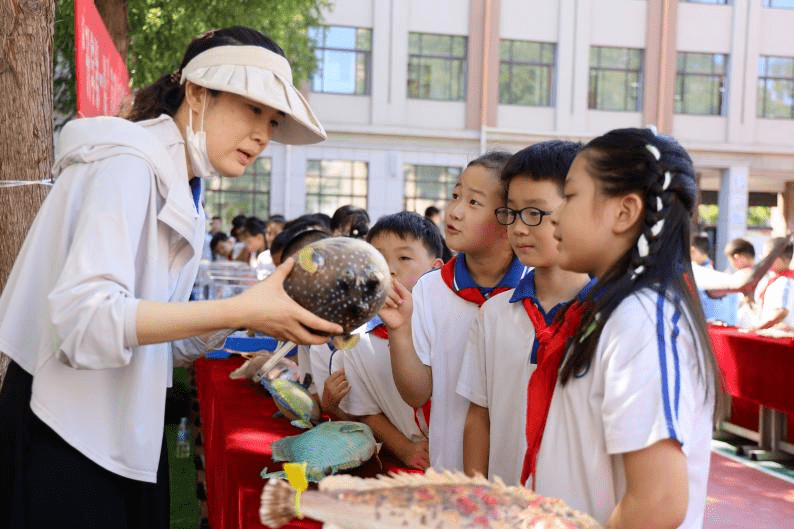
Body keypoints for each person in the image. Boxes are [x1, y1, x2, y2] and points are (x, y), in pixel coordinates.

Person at [0, 26, 343, 529]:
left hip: (120, 430)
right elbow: (86, 319)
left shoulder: (184, 185)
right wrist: (241, 310)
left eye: (273, 120)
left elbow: (159, 346)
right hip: (63, 431)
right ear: (199, 92)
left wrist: (254, 314)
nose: (263, 135)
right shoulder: (127, 164)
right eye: (253, 109)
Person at [542, 127, 719, 528]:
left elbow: (658, 501)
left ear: (624, 211)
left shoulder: (641, 319)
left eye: (569, 196)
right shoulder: (617, 311)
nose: (555, 214)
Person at [456, 141, 593, 485]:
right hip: (505, 508)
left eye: (534, 213)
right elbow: (479, 415)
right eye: (511, 212)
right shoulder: (494, 314)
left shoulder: (607, 318)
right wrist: (478, 496)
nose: (518, 228)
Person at [382, 151, 526, 472]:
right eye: (456, 195)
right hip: (448, 472)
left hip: (517, 479)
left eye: (474, 203)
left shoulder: (534, 290)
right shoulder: (432, 289)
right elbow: (417, 394)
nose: (455, 212)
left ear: (509, 217)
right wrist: (400, 331)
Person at [338, 211, 444, 470]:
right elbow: (366, 410)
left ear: (436, 269)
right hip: (409, 468)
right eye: (377, 258)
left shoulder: (450, 327)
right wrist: (404, 449)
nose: (389, 269)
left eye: (404, 257)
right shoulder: (358, 340)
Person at [742, 237, 794, 331]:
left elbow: (782, 312)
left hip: (779, 337)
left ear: (776, 258)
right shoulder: (773, 281)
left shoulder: (785, 282)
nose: (762, 259)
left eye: (766, 256)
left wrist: (759, 327)